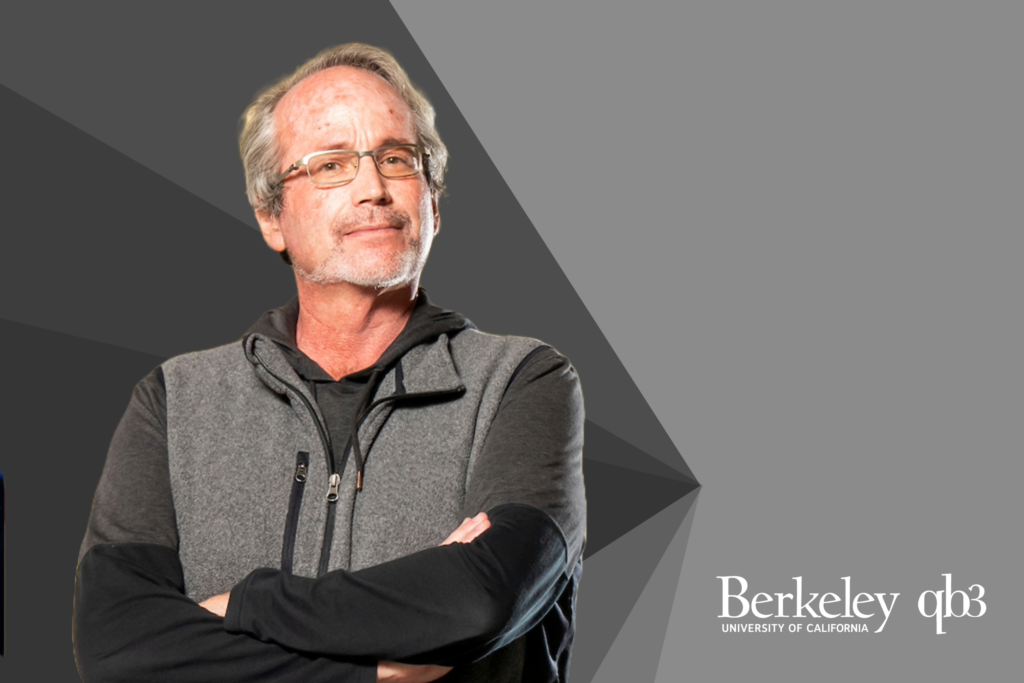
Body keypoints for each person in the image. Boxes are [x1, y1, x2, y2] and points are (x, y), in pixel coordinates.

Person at [73, 43, 585, 683]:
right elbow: (116, 648)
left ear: (433, 200)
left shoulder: (521, 381)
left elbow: (481, 599)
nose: (373, 188)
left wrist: (247, 604)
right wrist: (377, 671)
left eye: (397, 159)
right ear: (271, 217)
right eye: (331, 165)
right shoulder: (174, 400)